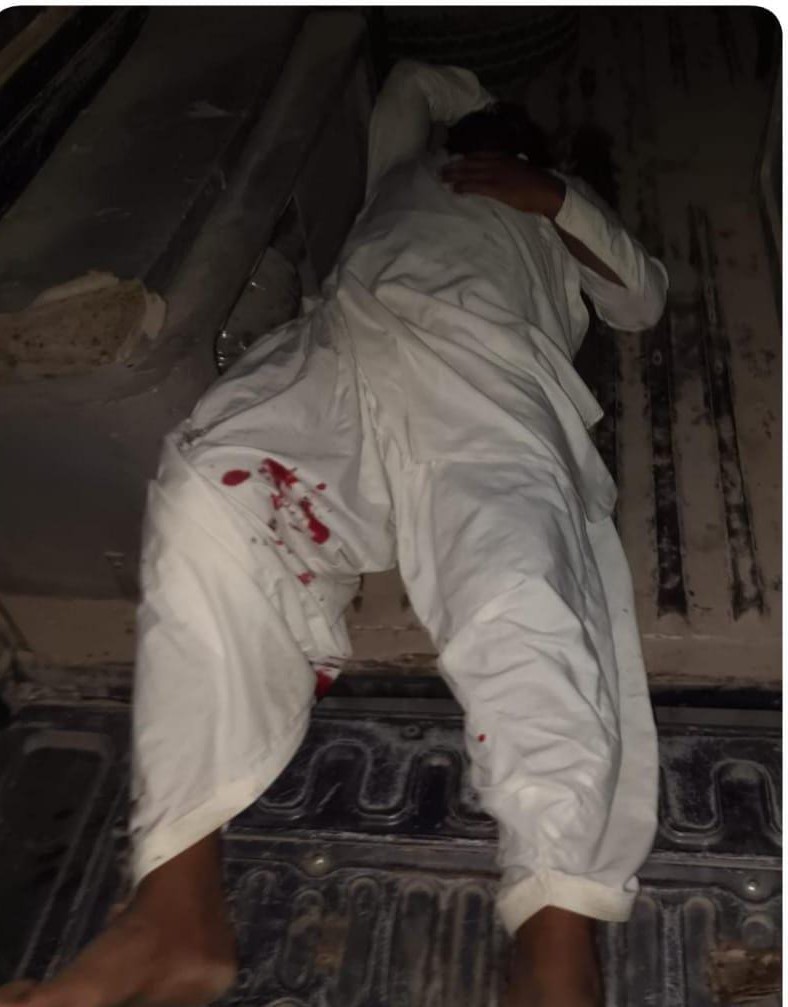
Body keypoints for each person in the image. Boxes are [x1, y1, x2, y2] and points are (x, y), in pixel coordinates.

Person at [1, 60, 667, 1007]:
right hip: (343, 356)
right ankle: (174, 908)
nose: (491, 147)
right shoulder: (404, 172)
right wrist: (479, 107)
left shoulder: (552, 218)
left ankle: (556, 939)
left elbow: (642, 298)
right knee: (211, 490)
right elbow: (412, 85)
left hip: (482, 378)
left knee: (516, 581)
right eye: (485, 138)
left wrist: (551, 194)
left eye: (513, 142)